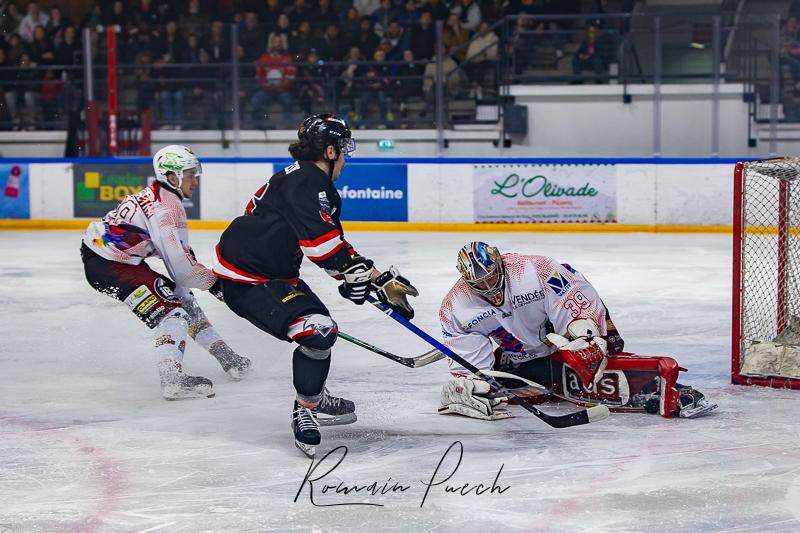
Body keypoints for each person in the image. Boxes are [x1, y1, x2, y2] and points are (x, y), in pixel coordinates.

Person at [212, 114, 418, 457]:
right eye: (344, 150)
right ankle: (305, 409)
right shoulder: (310, 182)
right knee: (317, 332)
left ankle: (314, 397)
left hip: (270, 275)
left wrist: (378, 278)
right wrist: (352, 276)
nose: (346, 159)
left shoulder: (299, 178)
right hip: (251, 280)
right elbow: (322, 248)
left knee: (321, 334)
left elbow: (330, 242)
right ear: (331, 150)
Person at [438, 241, 716, 421]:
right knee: (525, 385)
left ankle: (667, 386)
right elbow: (470, 363)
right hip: (522, 355)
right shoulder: (455, 306)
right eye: (479, 283)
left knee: (591, 364)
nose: (488, 288)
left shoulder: (536, 269)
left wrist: (584, 337)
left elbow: (575, 298)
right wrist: (474, 384)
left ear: (499, 264)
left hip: (565, 336)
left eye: (490, 278)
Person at [80, 146, 252, 400]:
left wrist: (199, 285)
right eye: (190, 174)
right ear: (172, 177)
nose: (196, 180)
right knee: (173, 314)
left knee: (184, 302)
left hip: (110, 259)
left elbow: (179, 262)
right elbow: (181, 268)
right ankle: (172, 379)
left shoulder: (161, 196)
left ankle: (227, 357)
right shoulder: (167, 209)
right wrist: (217, 285)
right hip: (110, 265)